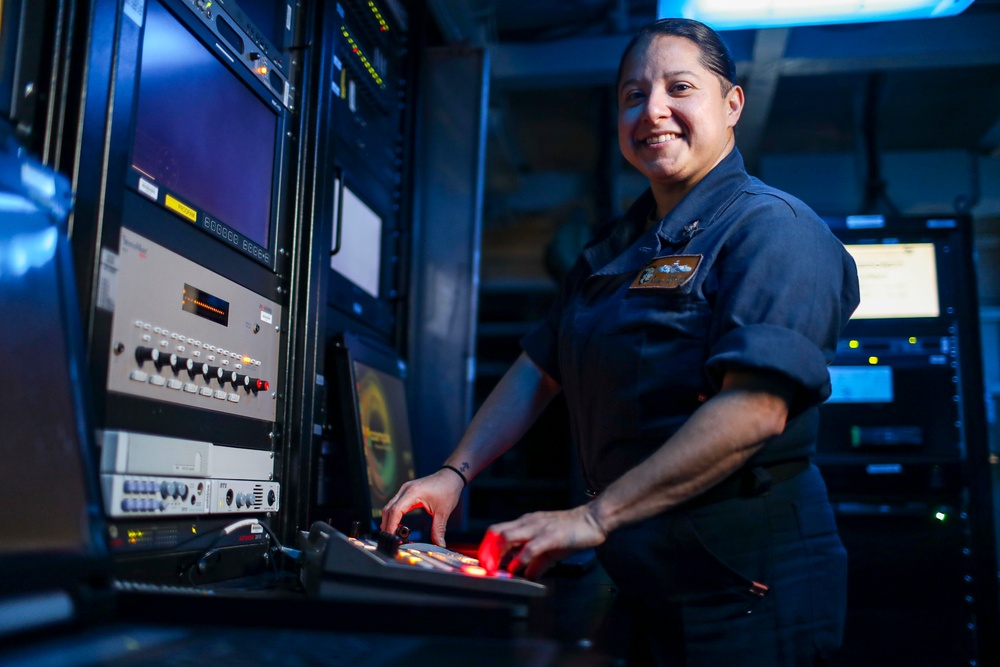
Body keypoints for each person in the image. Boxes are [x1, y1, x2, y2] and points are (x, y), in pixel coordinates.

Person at [382, 17, 860, 666]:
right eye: (633, 95)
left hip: (745, 576)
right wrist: (453, 471)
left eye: (679, 87)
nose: (653, 110)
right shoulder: (617, 243)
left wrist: (595, 515)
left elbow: (755, 409)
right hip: (640, 562)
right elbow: (539, 366)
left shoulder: (775, 230)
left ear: (732, 104)